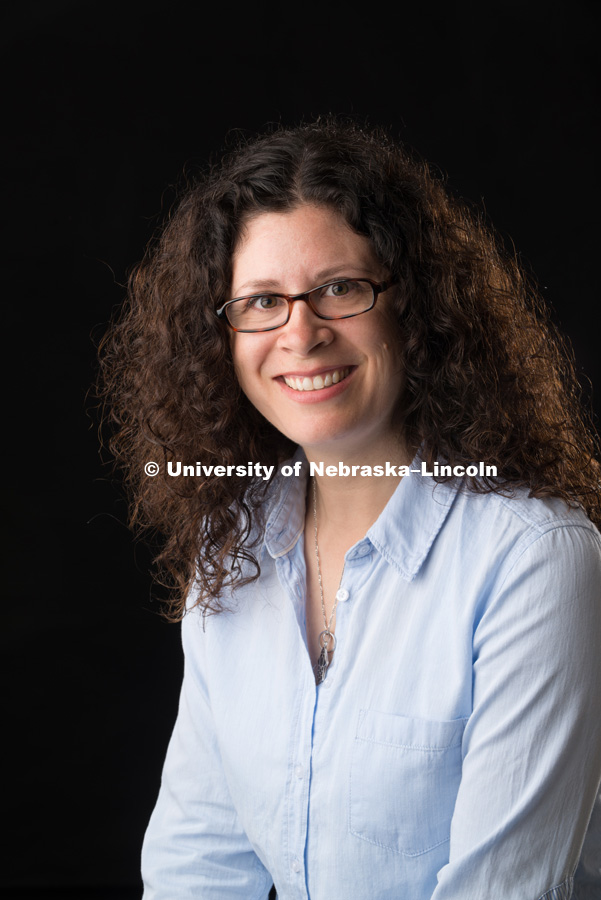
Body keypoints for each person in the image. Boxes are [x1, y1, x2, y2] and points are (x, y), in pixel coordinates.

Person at [99, 119, 601, 899]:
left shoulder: (535, 558)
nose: (300, 333)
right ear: (221, 338)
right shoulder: (229, 546)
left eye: (339, 288)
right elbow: (196, 866)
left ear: (415, 305)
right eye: (262, 301)